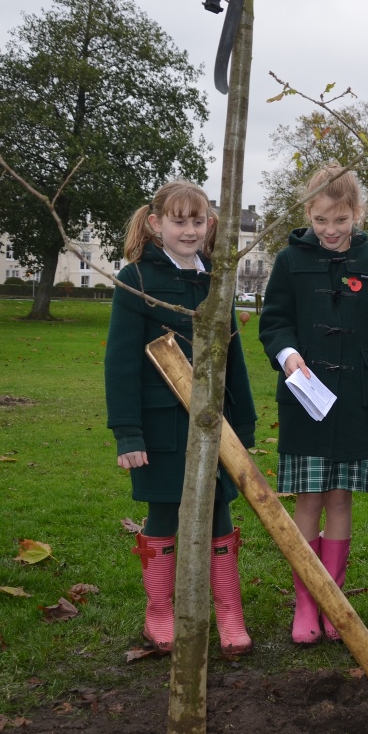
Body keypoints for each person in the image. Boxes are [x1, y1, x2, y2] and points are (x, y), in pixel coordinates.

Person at [105, 180, 257, 656]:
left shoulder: (218, 278)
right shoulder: (137, 280)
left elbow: (233, 358)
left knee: (218, 509)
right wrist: (128, 432)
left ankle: (229, 614)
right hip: (160, 426)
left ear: (209, 225)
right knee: (165, 511)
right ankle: (159, 613)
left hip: (215, 425)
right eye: (179, 220)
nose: (189, 230)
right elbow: (121, 362)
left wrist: (244, 426)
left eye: (197, 221)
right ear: (156, 225)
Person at [259, 165, 368, 644]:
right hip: (304, 399)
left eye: (340, 220)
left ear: (356, 214)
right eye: (322, 219)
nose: (330, 230)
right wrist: (287, 355)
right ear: (308, 212)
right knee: (307, 499)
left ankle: (333, 602)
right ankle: (307, 603)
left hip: (356, 401)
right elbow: (274, 320)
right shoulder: (289, 261)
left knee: (340, 498)